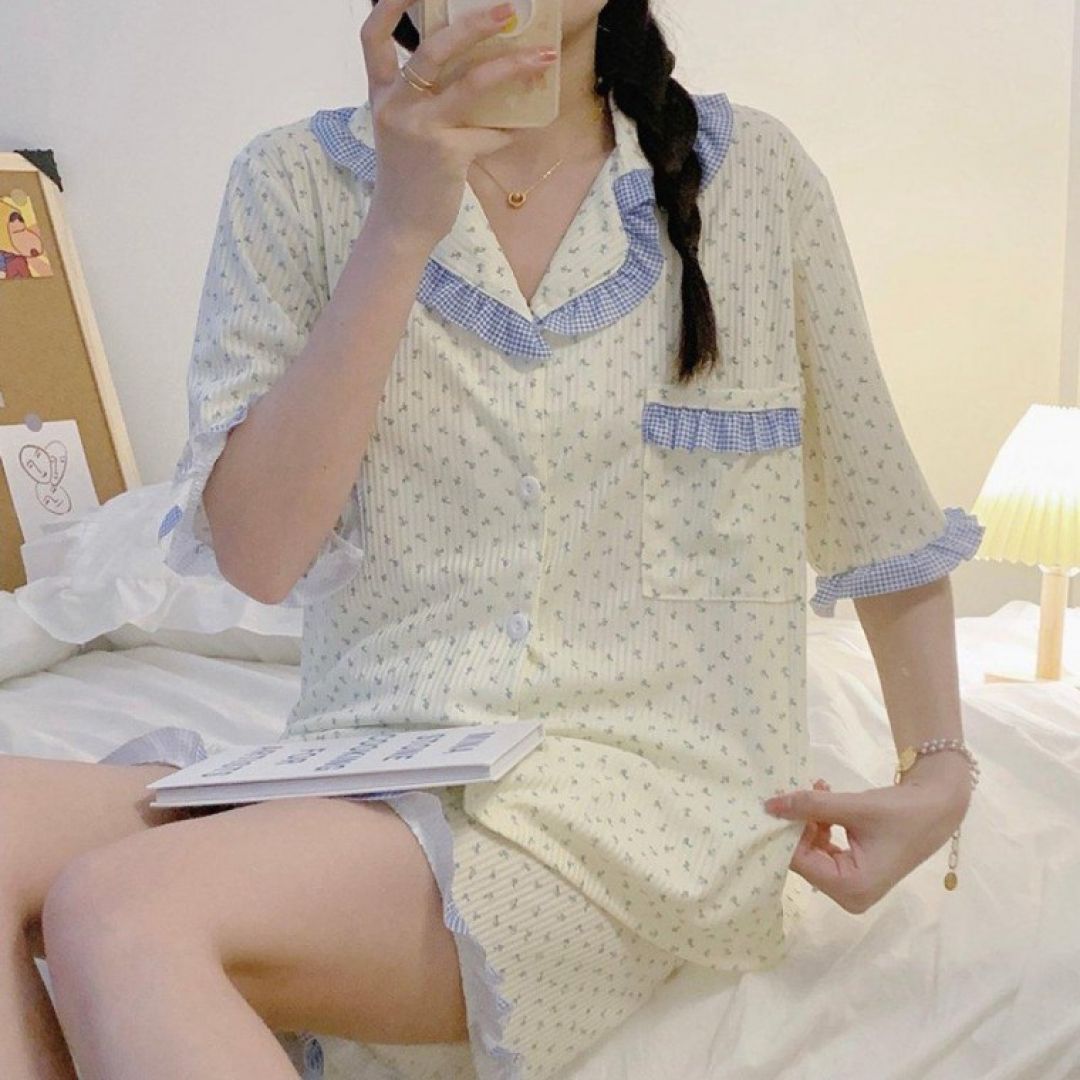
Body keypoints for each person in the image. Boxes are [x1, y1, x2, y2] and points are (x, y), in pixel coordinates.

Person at [2, 0, 985, 1077]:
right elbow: (259, 556)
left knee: (122, 906)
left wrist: (938, 771)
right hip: (365, 756)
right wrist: (400, 223)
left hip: (635, 804)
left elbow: (879, 512)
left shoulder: (753, 177)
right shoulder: (291, 181)